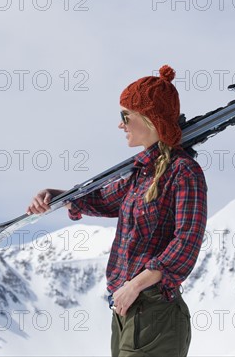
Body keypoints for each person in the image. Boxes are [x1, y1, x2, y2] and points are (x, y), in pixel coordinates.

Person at [26, 65, 208, 357]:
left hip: (154, 311)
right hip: (127, 309)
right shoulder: (141, 174)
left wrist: (135, 286)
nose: (121, 125)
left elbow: (187, 242)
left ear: (151, 120)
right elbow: (100, 199)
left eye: (126, 117)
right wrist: (57, 196)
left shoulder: (184, 172)